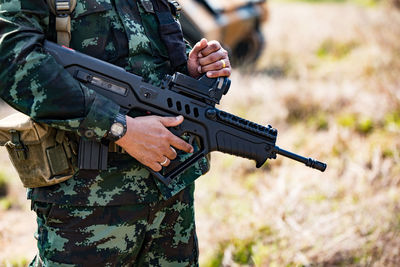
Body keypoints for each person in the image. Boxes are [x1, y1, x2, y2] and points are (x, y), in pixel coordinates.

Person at [0, 0, 231, 266]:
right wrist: (119, 127)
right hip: (86, 205)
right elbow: (12, 60)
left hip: (170, 201)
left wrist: (191, 70)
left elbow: (147, 58)